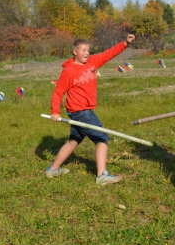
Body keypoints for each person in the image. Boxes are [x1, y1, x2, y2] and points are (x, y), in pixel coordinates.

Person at [46, 34, 135, 185]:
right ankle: (102, 176)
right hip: (80, 111)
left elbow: (109, 54)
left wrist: (125, 43)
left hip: (80, 111)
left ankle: (53, 170)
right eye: (83, 50)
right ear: (75, 52)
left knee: (74, 141)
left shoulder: (92, 62)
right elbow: (58, 92)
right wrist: (55, 111)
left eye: (88, 50)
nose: (87, 53)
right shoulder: (69, 71)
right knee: (102, 139)